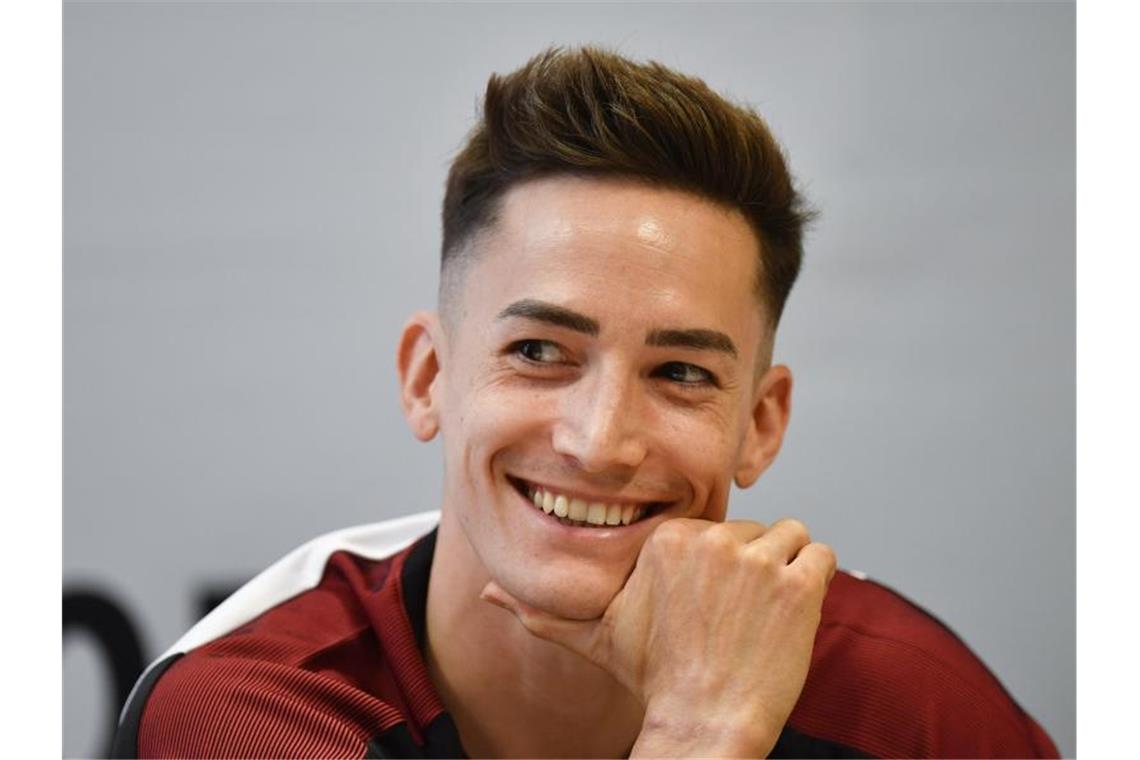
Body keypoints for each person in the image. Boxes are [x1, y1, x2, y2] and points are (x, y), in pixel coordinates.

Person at [113, 47, 1059, 759]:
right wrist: (700, 733)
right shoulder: (250, 710)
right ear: (428, 378)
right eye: (538, 352)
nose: (602, 442)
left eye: (680, 373)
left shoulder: (912, 708)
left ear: (761, 424)